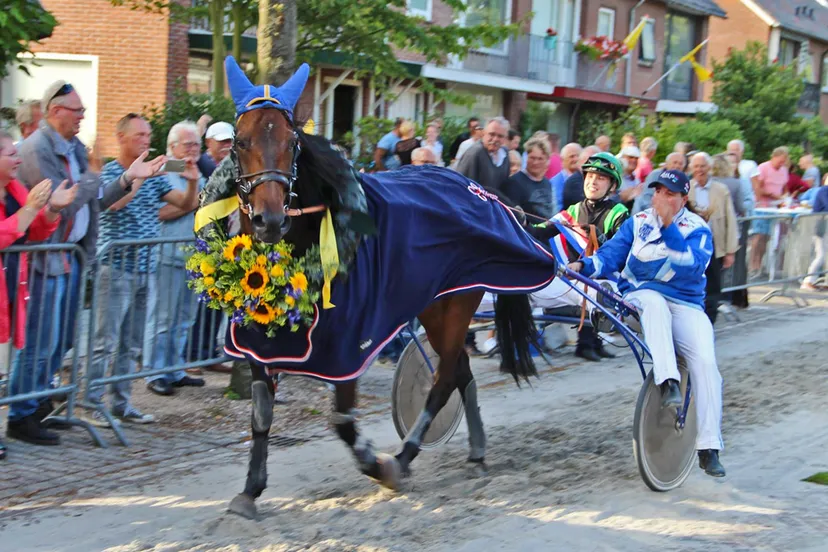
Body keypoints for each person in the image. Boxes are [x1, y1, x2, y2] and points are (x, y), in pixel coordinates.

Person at [567, 169, 726, 478]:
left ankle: (709, 447)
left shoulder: (698, 229)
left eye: (669, 193)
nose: (660, 198)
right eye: (657, 192)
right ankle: (667, 381)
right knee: (653, 302)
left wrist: (668, 226)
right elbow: (609, 257)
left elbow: (690, 267)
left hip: (686, 304)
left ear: (682, 198)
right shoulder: (637, 223)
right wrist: (581, 265)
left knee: (706, 364)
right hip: (642, 298)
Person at [1, 130, 76, 450]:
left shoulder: (14, 188)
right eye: (10, 154)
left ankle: (18, 421)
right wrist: (31, 209)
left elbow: (35, 231)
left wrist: (52, 209)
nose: (18, 158)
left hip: (12, 283)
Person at [529, 152, 629, 361]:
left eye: (600, 178)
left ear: (612, 186)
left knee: (595, 284)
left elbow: (620, 249)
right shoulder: (572, 211)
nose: (593, 182)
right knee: (586, 285)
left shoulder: (619, 212)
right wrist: (520, 221)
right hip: (574, 274)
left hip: (602, 273)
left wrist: (598, 237)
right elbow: (540, 231)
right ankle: (585, 343)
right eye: (590, 176)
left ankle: (593, 342)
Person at [688, 152, 739, 324]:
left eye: (702, 166)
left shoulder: (720, 190)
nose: (699, 170)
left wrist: (730, 250)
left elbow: (730, 220)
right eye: (696, 166)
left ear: (709, 167)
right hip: (692, 245)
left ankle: (709, 322)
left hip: (714, 243)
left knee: (713, 286)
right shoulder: (687, 188)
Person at [501, 135, 553, 221]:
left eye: (540, 159)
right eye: (532, 158)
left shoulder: (547, 183)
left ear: (547, 160)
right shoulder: (514, 182)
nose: (535, 162)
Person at [801, 184, 828, 291]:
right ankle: (808, 281)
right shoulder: (824, 191)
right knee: (821, 255)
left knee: (825, 255)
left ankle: (826, 282)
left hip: (824, 226)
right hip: (821, 226)